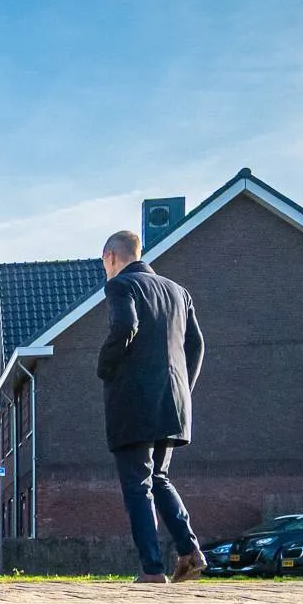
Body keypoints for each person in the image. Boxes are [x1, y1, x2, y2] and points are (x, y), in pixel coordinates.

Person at [97, 228, 207, 584]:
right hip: (173, 402)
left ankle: (151, 568)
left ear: (110, 257)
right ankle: (190, 552)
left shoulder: (120, 286)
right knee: (159, 477)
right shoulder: (179, 291)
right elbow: (197, 346)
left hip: (134, 401)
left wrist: (106, 365)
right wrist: (183, 389)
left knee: (137, 482)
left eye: (104, 264)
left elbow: (125, 325)